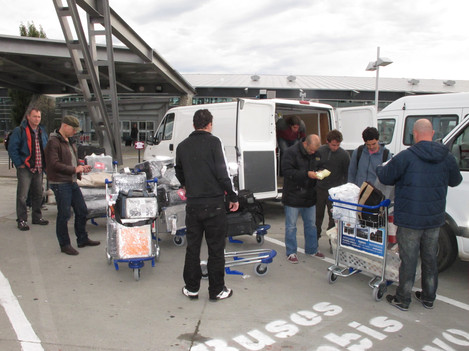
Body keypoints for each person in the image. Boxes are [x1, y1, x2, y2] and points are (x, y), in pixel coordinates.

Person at [376, 119, 462, 311]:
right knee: (430, 259)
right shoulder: (446, 156)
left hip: (409, 219)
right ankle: (428, 297)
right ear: (432, 133)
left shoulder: (406, 156)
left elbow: (385, 176)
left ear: (414, 134)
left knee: (409, 260)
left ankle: (403, 299)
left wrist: (380, 167)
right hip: (434, 219)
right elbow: (456, 180)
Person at [175, 109, 239, 301]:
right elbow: (222, 172)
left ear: (194, 125)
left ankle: (192, 288)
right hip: (215, 205)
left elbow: (179, 171)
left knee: (192, 247)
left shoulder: (182, 146)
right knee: (216, 248)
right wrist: (233, 196)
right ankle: (216, 290)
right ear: (210, 124)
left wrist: (187, 185)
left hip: (193, 205)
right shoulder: (214, 142)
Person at [45, 116, 101, 256]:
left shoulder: (69, 141)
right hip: (60, 183)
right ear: (64, 125)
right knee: (64, 214)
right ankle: (64, 244)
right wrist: (74, 170)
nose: (75, 132)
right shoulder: (53, 142)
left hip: (71, 181)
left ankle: (82, 238)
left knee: (82, 210)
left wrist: (80, 166)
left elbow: (71, 161)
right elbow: (53, 164)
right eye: (73, 129)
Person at [281, 134, 325, 263]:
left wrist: (321, 172)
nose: (313, 152)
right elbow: (287, 172)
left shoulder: (316, 153)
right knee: (291, 226)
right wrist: (307, 174)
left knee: (311, 225)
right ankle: (291, 252)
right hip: (293, 195)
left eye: (315, 151)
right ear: (305, 144)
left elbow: (320, 165)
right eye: (311, 150)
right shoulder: (290, 152)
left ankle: (312, 249)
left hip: (310, 195)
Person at [8, 107, 49, 231]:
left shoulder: (41, 131)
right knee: (22, 195)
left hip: (38, 168)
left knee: (38, 194)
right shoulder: (19, 131)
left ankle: (37, 217)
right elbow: (12, 148)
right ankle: (22, 220)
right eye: (34, 116)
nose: (37, 119)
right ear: (28, 117)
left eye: (39, 117)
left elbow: (45, 148)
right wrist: (19, 163)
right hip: (25, 168)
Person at [316, 130, 350, 239]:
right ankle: (315, 238)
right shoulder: (320, 151)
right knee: (317, 215)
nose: (335, 147)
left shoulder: (344, 155)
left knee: (334, 217)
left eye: (338, 145)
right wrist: (319, 172)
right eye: (333, 145)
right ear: (327, 142)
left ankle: (332, 240)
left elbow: (347, 174)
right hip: (320, 188)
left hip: (335, 191)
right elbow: (313, 166)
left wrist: (344, 190)